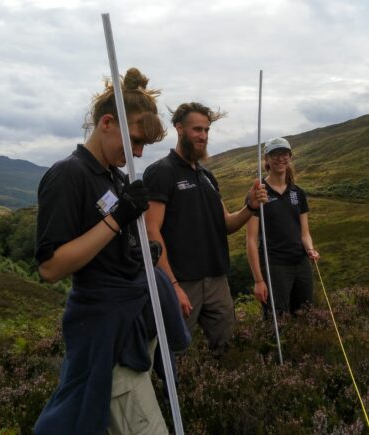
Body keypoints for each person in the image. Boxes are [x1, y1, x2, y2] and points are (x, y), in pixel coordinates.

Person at [33, 68, 190, 435]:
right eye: (134, 141)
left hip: (134, 327)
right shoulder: (68, 175)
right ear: (107, 122)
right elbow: (51, 267)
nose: (137, 154)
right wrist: (117, 220)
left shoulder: (115, 178)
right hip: (108, 335)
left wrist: (140, 251)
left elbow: (113, 249)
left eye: (143, 147)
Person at [143, 102, 267, 354]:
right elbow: (150, 231)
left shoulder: (207, 177)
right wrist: (173, 286)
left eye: (206, 130)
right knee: (175, 354)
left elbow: (226, 224)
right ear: (179, 128)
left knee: (227, 348)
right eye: (196, 129)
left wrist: (250, 207)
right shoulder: (161, 173)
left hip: (216, 280)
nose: (203, 136)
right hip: (182, 282)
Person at [245, 137, 320, 316]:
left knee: (306, 314)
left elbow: (305, 234)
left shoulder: (298, 193)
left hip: (301, 264)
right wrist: (258, 280)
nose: (280, 158)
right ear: (267, 159)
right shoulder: (258, 193)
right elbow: (251, 240)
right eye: (275, 154)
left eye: (284, 154)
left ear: (290, 157)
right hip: (275, 266)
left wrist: (310, 249)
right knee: (277, 318)